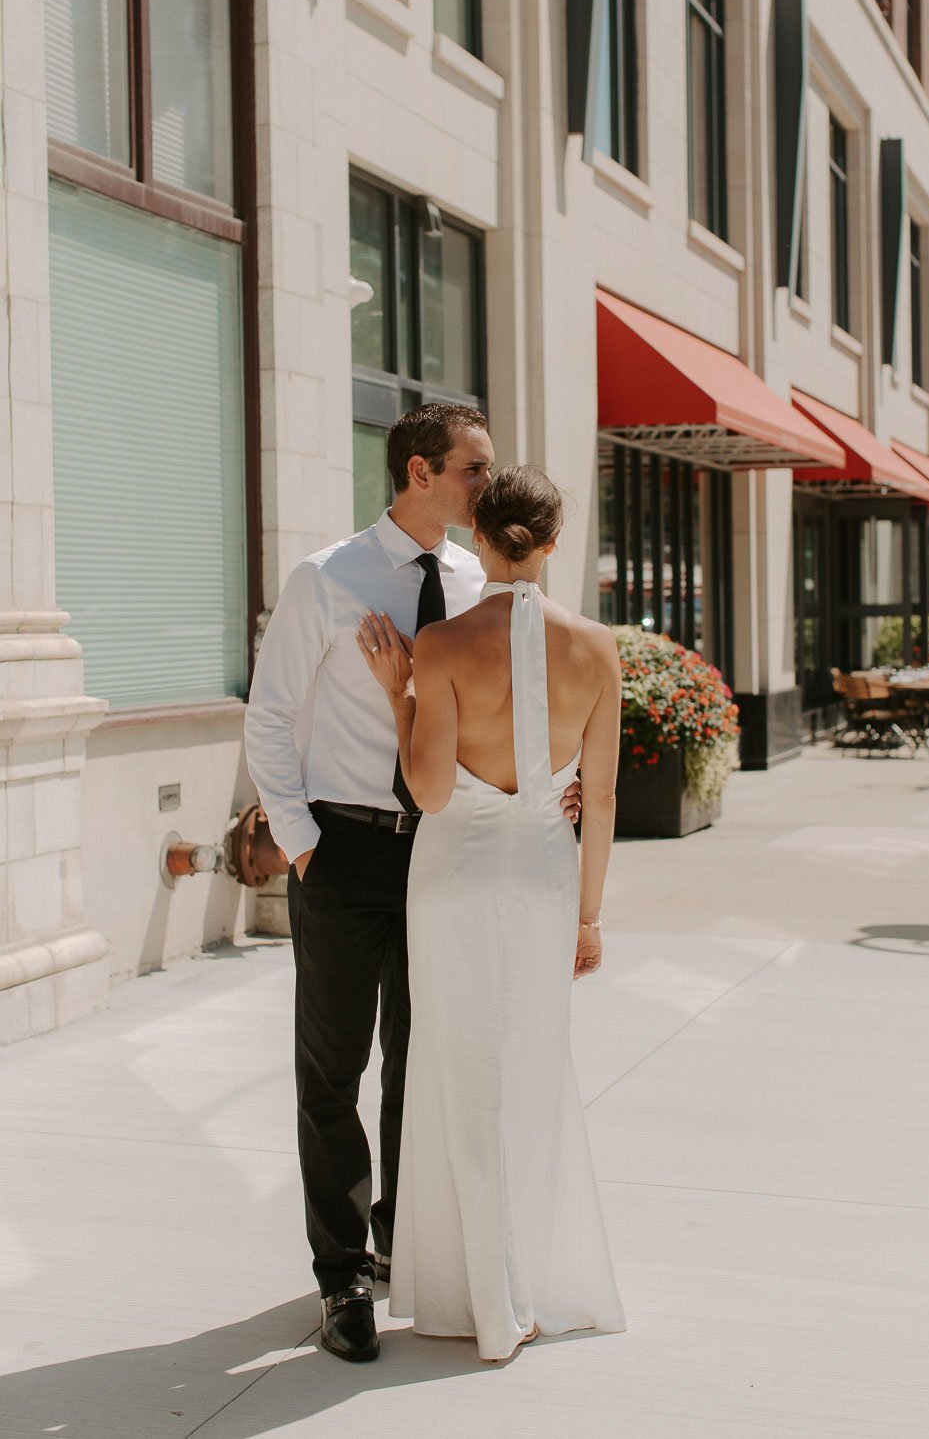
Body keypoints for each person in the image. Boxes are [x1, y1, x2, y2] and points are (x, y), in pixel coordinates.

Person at [243, 407, 580, 1364]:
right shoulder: (327, 577)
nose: (490, 485)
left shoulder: (481, 580)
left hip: (447, 853)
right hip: (344, 852)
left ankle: (403, 1236)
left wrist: (563, 783)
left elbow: (515, 707)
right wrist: (303, 841)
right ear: (421, 471)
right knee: (334, 1070)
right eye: (477, 471)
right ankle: (341, 1274)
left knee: (423, 1062)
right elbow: (268, 717)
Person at [357, 464, 626, 1362]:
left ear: (479, 537)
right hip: (545, 876)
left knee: (455, 1069)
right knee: (531, 1066)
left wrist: (401, 698)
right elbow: (607, 799)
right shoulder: (596, 648)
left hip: (454, 876)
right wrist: (590, 917)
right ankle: (527, 1285)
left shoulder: (439, 646)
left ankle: (482, 1294)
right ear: (552, 543)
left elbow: (430, 792)